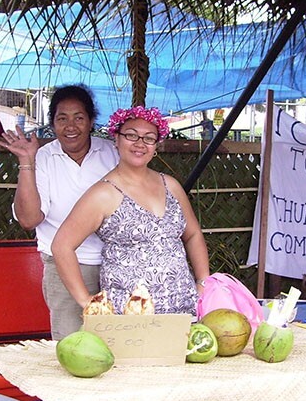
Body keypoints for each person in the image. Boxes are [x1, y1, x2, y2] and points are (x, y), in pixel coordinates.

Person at [52, 106, 210, 316]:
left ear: (156, 145)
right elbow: (62, 246)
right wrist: (86, 300)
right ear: (116, 140)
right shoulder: (103, 194)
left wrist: (203, 282)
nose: (139, 144)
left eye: (148, 138)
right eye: (131, 135)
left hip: (184, 311)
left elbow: (193, 234)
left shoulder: (170, 185)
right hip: (130, 319)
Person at [0, 85, 120, 339]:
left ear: (91, 121)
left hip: (117, 262)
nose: (71, 126)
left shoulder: (113, 152)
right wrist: (26, 162)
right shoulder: (42, 157)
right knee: (71, 342)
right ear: (52, 123)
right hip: (66, 265)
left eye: (79, 117)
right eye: (62, 118)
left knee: (120, 342)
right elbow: (29, 219)